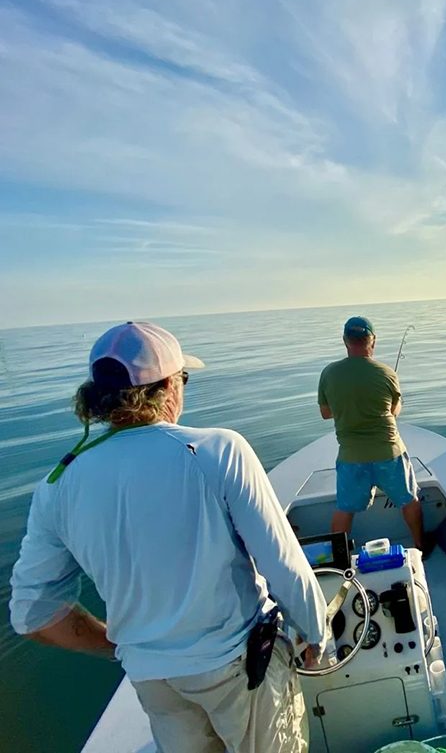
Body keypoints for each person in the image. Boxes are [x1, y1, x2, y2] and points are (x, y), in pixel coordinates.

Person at [8, 321, 328, 753]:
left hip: (153, 682)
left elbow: (31, 614)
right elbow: (284, 567)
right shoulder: (219, 449)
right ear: (167, 388)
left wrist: (123, 645)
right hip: (237, 669)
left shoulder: (55, 485)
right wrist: (314, 635)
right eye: (183, 379)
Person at [317, 316, 434, 556]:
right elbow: (393, 410)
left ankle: (338, 558)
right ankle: (421, 545)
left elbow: (326, 414)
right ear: (373, 341)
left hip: (351, 457)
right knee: (409, 500)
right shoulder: (387, 373)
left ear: (345, 341)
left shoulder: (329, 373)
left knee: (344, 509)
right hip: (389, 453)